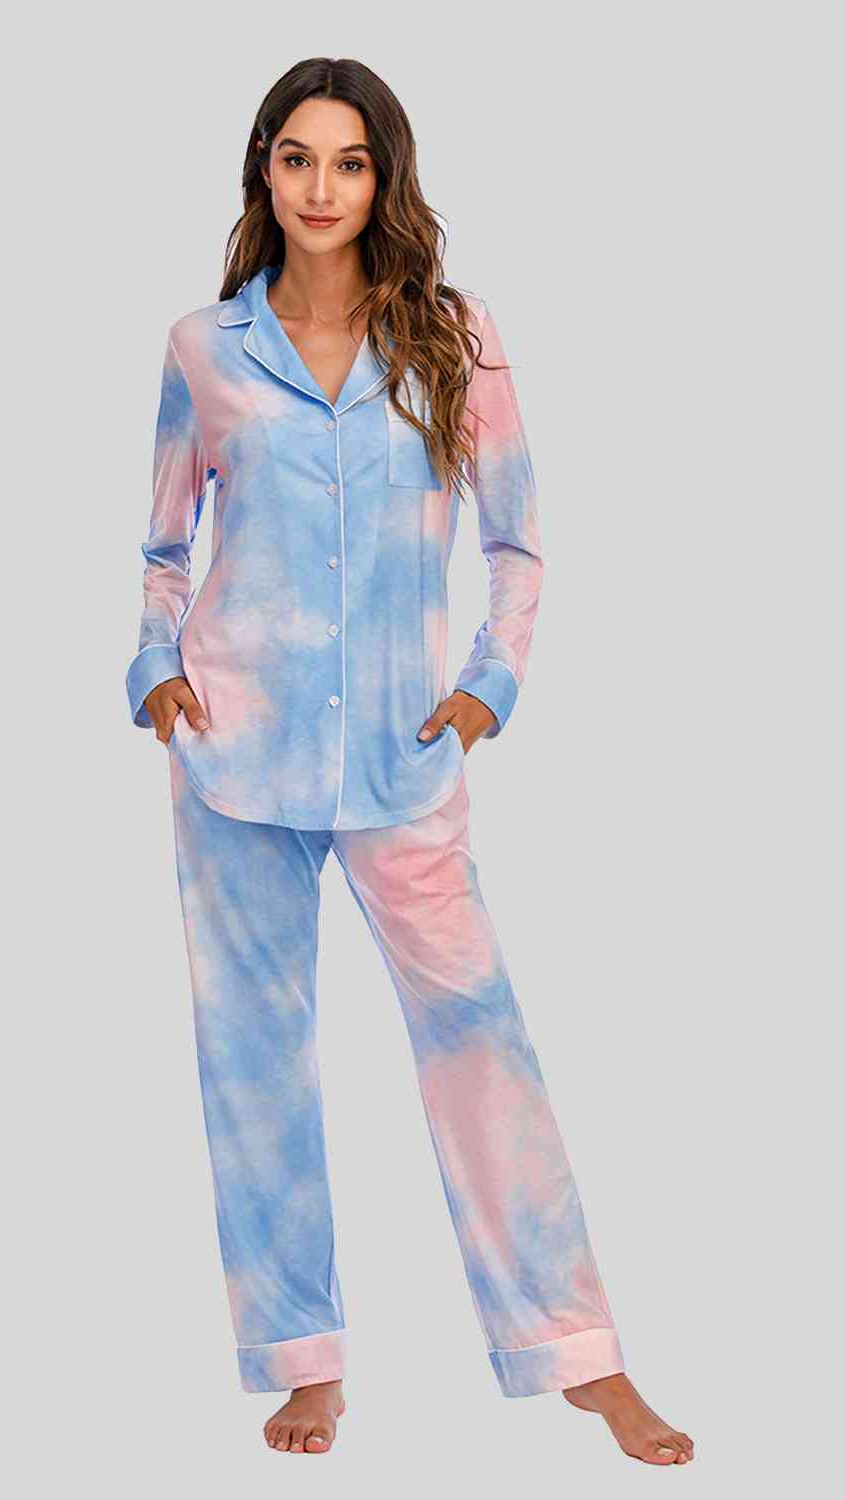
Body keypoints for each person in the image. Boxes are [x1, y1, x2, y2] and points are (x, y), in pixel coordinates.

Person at [125, 57, 694, 1466]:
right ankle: (304, 1362)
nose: (322, 188)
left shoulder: (454, 334)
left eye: (351, 161)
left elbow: (516, 540)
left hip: (402, 754)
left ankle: (579, 1356)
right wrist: (156, 672)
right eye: (297, 159)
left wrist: (487, 688)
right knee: (254, 1064)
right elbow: (163, 546)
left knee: (479, 1041)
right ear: (264, 171)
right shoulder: (205, 347)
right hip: (234, 756)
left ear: (386, 175)